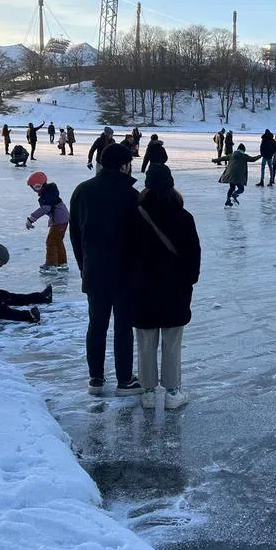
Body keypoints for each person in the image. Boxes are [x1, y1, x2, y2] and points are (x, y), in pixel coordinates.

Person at [69, 143, 144, 397]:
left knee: (96, 324)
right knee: (123, 326)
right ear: (124, 165)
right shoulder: (132, 196)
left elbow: (75, 235)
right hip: (125, 272)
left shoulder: (82, 191)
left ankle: (95, 379)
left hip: (95, 270)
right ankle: (124, 380)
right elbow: (139, 239)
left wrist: (84, 266)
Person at [133, 163, 202, 410]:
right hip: (175, 289)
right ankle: (172, 392)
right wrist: (189, 280)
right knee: (172, 342)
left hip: (142, 289)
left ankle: (149, 392)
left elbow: (124, 253)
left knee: (145, 342)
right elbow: (194, 255)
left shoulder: (134, 215)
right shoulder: (183, 217)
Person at [26, 171, 69, 272]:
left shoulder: (47, 196)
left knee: (51, 242)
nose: (33, 190)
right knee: (58, 241)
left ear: (39, 186)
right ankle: (61, 263)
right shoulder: (50, 192)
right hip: (62, 219)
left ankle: (51, 264)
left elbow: (45, 209)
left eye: (34, 187)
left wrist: (31, 219)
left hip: (59, 220)